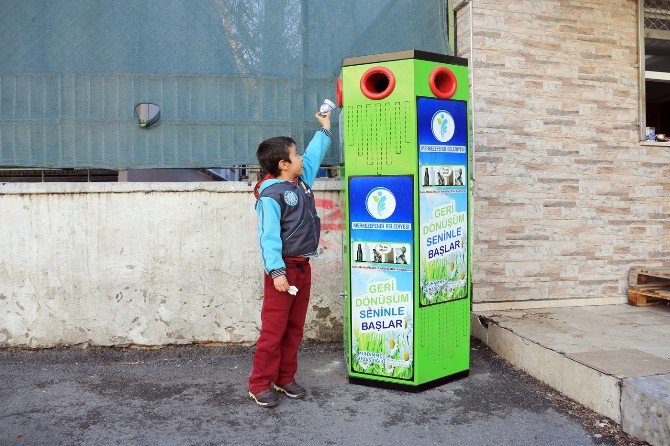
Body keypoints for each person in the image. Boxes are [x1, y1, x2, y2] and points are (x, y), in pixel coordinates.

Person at [248, 111, 332, 407]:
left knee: (295, 327)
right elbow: (268, 237)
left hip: (302, 266)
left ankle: (285, 377)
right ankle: (259, 383)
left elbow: (312, 157)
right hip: (282, 272)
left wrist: (324, 130)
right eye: (294, 156)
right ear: (283, 165)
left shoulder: (300, 182)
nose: (300, 160)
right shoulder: (271, 195)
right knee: (274, 330)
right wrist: (276, 272)